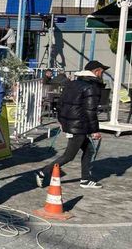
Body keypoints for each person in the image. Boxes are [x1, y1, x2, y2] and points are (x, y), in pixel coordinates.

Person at [35, 60, 107, 189]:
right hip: (79, 126)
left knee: (89, 149)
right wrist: (95, 130)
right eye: (102, 72)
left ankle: (85, 179)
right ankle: (43, 172)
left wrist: (62, 121)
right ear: (97, 71)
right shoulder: (91, 87)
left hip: (73, 124)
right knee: (68, 156)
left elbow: (60, 104)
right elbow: (91, 111)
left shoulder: (73, 83)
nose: (103, 74)